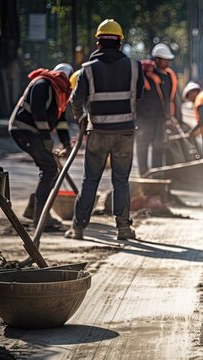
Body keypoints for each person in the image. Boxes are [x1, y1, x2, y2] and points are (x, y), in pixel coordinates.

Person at [65, 19, 144, 240]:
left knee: (90, 180)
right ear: (120, 43)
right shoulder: (135, 67)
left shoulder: (87, 70)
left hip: (97, 132)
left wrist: (81, 118)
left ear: (98, 43)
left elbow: (75, 99)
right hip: (125, 134)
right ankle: (123, 228)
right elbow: (139, 96)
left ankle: (78, 228)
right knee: (121, 180)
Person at [9, 63, 73, 230]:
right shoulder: (43, 84)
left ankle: (34, 210)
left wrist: (67, 143)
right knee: (49, 169)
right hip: (24, 131)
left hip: (34, 133)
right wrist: (46, 138)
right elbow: (38, 112)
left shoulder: (59, 91)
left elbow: (61, 122)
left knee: (50, 170)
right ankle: (40, 219)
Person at [136, 43, 181, 176]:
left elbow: (172, 99)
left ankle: (157, 175)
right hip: (144, 119)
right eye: (165, 59)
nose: (168, 62)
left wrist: (174, 117)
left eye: (168, 59)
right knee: (142, 147)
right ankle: (143, 174)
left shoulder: (169, 76)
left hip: (160, 119)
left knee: (159, 147)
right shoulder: (144, 75)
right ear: (156, 59)